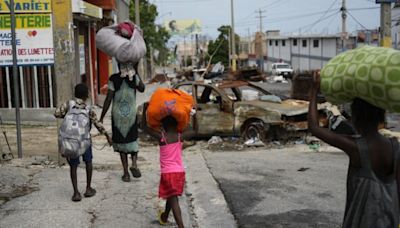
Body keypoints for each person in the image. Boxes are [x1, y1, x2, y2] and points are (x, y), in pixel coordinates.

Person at [308, 73, 400, 227]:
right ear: (380, 117)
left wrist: (313, 93)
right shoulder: (395, 146)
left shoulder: (356, 147)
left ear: (356, 117)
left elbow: (314, 127)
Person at [55, 83, 112, 202]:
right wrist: (107, 136)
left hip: (71, 141)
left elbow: (57, 113)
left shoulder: (68, 104)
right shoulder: (88, 109)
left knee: (73, 166)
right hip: (84, 141)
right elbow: (98, 124)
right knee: (88, 162)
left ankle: (76, 193)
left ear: (75, 94)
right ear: (86, 95)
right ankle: (88, 188)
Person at [142, 104, 193, 228]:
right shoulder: (180, 137)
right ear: (177, 125)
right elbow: (195, 130)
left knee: (174, 201)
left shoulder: (162, 138)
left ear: (163, 127)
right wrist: (193, 115)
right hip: (180, 173)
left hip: (168, 174)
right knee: (172, 196)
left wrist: (145, 110)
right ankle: (164, 216)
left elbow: (144, 127)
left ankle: (181, 226)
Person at [100, 63, 145, 182]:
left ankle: (126, 173)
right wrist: (136, 72)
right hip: (131, 115)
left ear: (119, 66)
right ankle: (134, 163)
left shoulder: (113, 78)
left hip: (117, 116)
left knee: (121, 143)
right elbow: (142, 88)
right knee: (133, 139)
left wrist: (102, 116)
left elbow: (109, 98)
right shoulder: (133, 78)